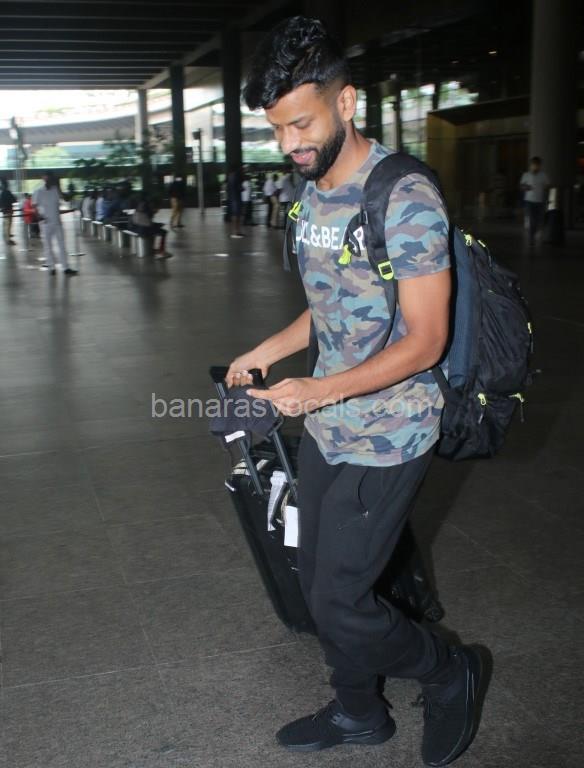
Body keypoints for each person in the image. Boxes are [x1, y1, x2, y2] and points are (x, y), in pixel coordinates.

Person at [227, 16, 487, 766]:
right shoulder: (312, 192)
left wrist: (318, 390)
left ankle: (450, 672)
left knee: (341, 599)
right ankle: (358, 713)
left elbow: (426, 338)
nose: (289, 144)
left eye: (301, 124)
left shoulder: (403, 196)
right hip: (328, 424)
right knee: (319, 586)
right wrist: (268, 352)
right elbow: (334, 303)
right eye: (277, 129)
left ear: (346, 102)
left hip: (393, 431)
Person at [32, 172, 77, 275]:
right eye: (48, 178)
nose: (51, 180)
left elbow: (66, 198)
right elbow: (34, 206)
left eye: (52, 178)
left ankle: (65, 267)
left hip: (57, 221)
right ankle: (51, 267)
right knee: (48, 246)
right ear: (44, 179)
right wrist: (39, 216)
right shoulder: (38, 191)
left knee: (62, 244)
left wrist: (59, 186)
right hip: (45, 222)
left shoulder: (55, 190)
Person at [520, 156, 550, 241]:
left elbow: (547, 186)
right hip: (529, 201)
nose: (535, 166)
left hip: (540, 201)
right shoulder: (526, 175)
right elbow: (521, 186)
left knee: (538, 220)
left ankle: (534, 232)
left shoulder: (543, 175)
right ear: (531, 165)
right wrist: (526, 187)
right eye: (534, 164)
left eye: (537, 165)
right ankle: (531, 236)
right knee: (532, 219)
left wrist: (546, 193)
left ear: (540, 165)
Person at [226, 165, 244, 238]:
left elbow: (228, 188)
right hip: (236, 198)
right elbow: (239, 187)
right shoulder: (235, 176)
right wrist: (242, 188)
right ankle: (236, 232)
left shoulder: (230, 177)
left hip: (232, 198)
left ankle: (236, 231)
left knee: (235, 215)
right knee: (236, 215)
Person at [0, 178, 16, 245]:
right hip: (8, 210)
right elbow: (14, 199)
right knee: (8, 225)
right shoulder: (7, 192)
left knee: (5, 225)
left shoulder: (2, 193)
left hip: (5, 211)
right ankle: (8, 240)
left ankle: (6, 237)